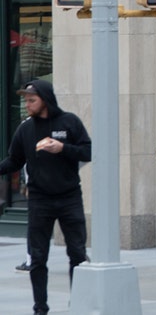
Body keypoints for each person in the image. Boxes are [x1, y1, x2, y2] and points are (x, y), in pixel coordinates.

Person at [0, 80, 91, 315]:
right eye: (26, 100)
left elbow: (87, 151)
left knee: (78, 254)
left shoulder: (69, 122)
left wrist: (63, 148)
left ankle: (79, 303)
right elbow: (14, 161)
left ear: (45, 99)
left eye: (32, 100)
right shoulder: (25, 129)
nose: (27, 104)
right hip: (39, 199)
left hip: (70, 196)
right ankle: (40, 308)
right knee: (38, 257)